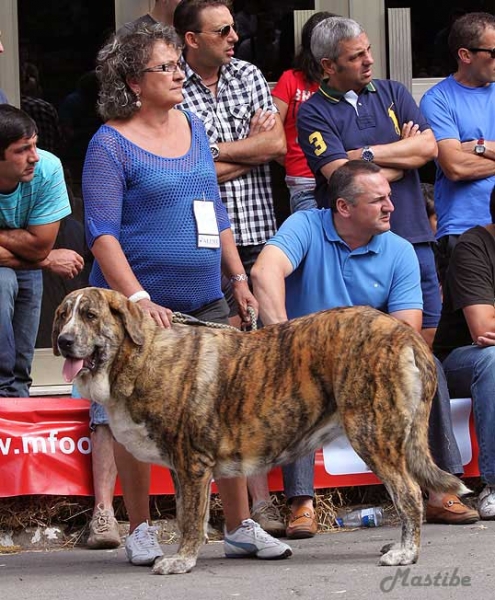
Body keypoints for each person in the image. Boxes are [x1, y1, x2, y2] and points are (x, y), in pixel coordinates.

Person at [81, 23, 291, 563]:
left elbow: (213, 211)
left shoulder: (194, 128)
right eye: (166, 68)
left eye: (178, 65)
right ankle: (141, 530)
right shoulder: (109, 143)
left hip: (205, 301)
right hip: (139, 310)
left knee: (224, 410)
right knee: (134, 416)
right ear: (132, 80)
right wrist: (136, 298)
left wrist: (238, 278)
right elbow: (102, 233)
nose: (179, 75)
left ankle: (241, 525)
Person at [251, 161, 479, 537]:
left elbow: (408, 330)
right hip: (305, 352)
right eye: (378, 200)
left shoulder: (401, 249)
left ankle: (440, 491)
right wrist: (283, 338)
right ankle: (302, 503)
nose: (392, 206)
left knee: (429, 364)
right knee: (299, 371)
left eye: (389, 197)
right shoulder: (306, 225)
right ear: (344, 207)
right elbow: (264, 272)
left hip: (367, 358)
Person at [173, 0, 287, 536]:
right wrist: (247, 149)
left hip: (259, 236)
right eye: (222, 31)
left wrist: (216, 153)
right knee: (214, 380)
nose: (235, 37)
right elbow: (187, 169)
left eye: (235, 28)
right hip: (203, 246)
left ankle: (257, 506)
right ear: (191, 39)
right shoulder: (170, 84)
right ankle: (228, 509)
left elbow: (277, 145)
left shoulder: (249, 75)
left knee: (255, 375)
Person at [297, 16, 440, 349]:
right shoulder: (313, 113)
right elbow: (341, 178)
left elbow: (428, 148)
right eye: (356, 56)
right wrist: (401, 159)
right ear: (328, 65)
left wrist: (363, 154)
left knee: (422, 345)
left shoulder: (393, 92)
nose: (369, 60)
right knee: (365, 351)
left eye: (368, 50)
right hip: (357, 251)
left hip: (414, 235)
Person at [0, 105, 83, 397]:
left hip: (28, 262)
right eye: (22, 150)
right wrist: (47, 261)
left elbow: (38, 245)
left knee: (22, 364)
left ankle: (17, 425)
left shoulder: (46, 168)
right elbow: (39, 253)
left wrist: (41, 256)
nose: (34, 156)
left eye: (34, 145)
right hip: (17, 268)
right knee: (3, 281)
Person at [433, 184, 495, 520]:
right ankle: (494, 485)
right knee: (494, 359)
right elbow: (483, 327)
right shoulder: (473, 246)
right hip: (461, 361)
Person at [420, 12, 495, 286]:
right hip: (464, 228)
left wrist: (477, 146)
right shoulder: (437, 99)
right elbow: (454, 166)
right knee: (473, 323)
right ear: (465, 55)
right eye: (493, 52)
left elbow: (463, 159)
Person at [271, 11, 335, 213]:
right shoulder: (290, 79)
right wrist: (291, 157)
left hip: (341, 177)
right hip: (303, 179)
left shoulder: (343, 81)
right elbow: (272, 132)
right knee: (313, 241)